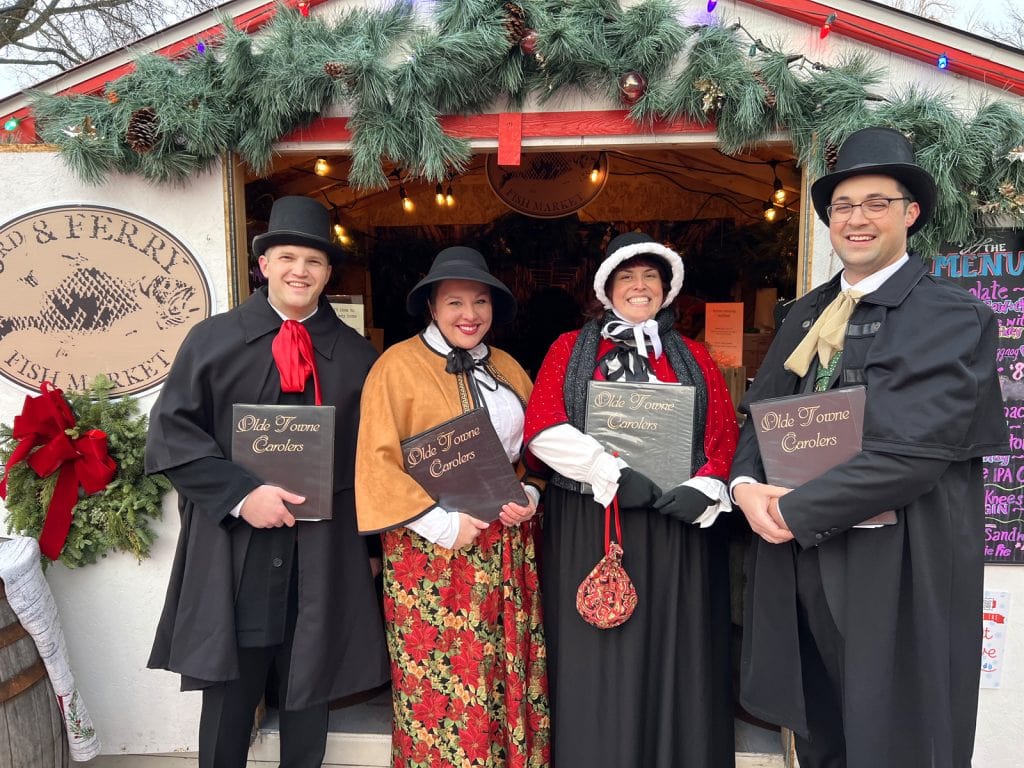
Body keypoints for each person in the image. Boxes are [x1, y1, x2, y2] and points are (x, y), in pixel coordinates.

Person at [730, 127, 1010, 768]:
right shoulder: (805, 315)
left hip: (895, 569)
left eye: (876, 203)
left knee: (898, 742)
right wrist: (745, 488)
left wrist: (791, 511)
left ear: (911, 213)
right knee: (824, 738)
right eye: (843, 207)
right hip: (801, 566)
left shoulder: (950, 317)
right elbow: (761, 415)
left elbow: (911, 453)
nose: (857, 219)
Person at [145, 196, 389, 768]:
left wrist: (371, 546)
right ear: (264, 265)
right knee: (232, 692)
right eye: (287, 257)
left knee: (311, 684)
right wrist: (240, 495)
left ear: (329, 273)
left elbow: (373, 457)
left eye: (313, 261)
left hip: (323, 549)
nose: (299, 271)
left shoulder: (357, 358)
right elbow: (172, 434)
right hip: (238, 547)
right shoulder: (213, 341)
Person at [523, 232, 739, 768]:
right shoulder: (570, 349)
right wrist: (609, 472)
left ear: (667, 289)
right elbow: (543, 428)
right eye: (627, 277)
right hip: (591, 522)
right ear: (606, 289)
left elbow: (723, 434)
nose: (639, 287)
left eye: (650, 277)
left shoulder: (694, 355)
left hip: (673, 527)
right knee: (598, 649)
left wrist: (706, 486)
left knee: (670, 651)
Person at [354, 246, 550, 768]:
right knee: (446, 684)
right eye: (455, 301)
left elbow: (536, 451)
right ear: (432, 308)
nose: (470, 314)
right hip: (431, 559)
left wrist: (529, 495)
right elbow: (376, 463)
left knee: (503, 670)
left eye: (480, 302)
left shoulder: (507, 366)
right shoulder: (395, 366)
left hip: (507, 547)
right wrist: (442, 523)